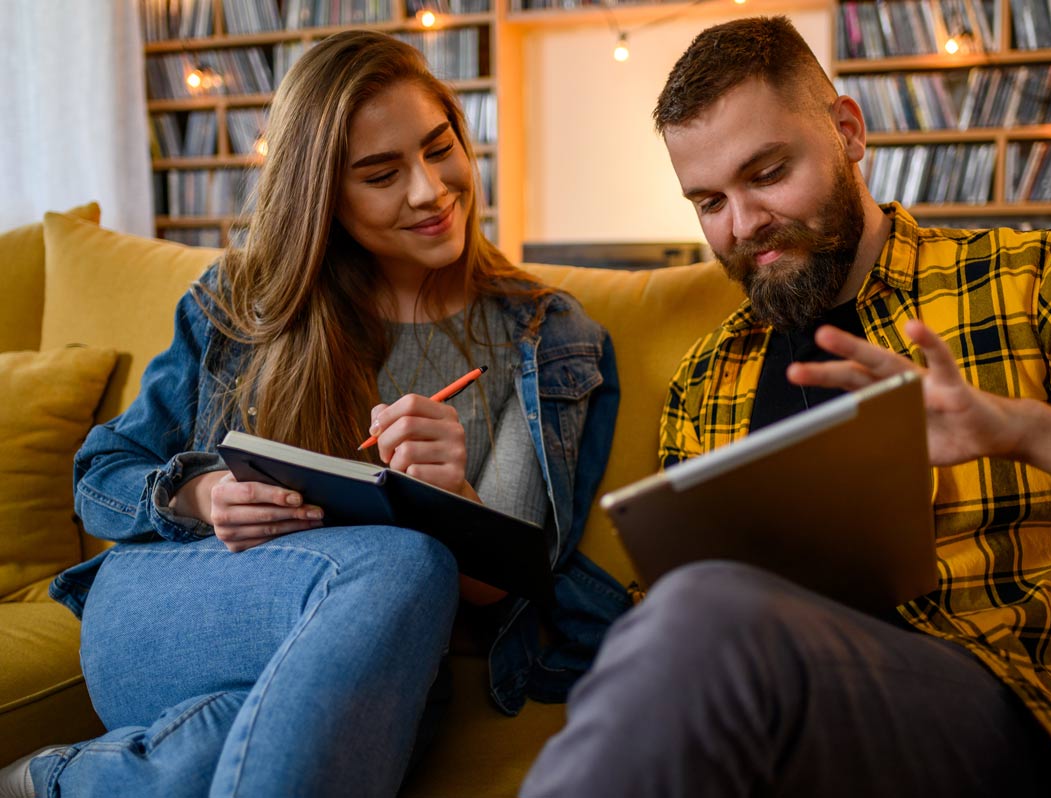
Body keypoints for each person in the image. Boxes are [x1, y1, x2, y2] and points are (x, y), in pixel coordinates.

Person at [519, 16, 1051, 798]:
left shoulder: (1021, 280)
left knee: (698, 616)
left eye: (768, 173)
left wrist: (1019, 427)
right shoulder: (711, 375)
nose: (743, 227)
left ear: (847, 131)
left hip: (1020, 714)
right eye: (709, 202)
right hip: (784, 723)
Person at [0, 30, 624, 798]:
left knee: (267, 737)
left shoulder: (548, 339)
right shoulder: (242, 303)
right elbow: (99, 476)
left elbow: (508, 590)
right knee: (407, 563)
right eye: (380, 174)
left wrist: (454, 500)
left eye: (440, 148)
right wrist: (202, 494)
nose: (429, 190)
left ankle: (53, 782)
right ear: (322, 193)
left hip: (376, 662)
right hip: (171, 609)